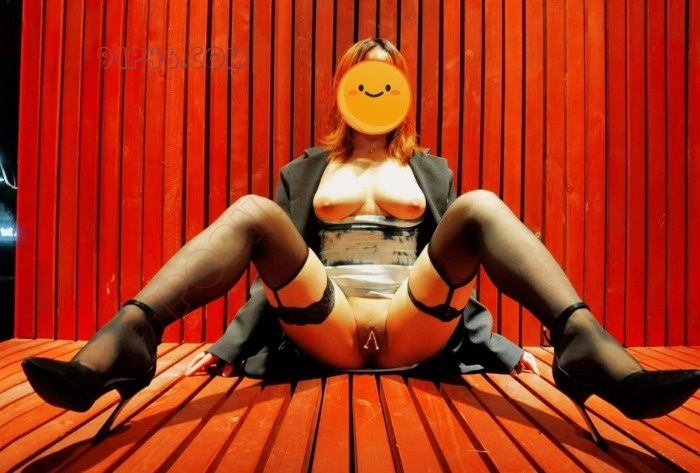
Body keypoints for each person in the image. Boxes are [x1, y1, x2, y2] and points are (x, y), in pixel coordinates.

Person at [22, 38, 698, 448]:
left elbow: (457, 271)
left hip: (410, 321)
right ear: (345, 89)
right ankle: (127, 341)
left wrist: (501, 348)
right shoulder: (305, 172)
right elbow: (272, 279)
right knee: (255, 211)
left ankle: (584, 346)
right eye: (363, 78)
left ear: (401, 91)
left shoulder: (431, 172)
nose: (375, 89)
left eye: (386, 78)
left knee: (480, 207)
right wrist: (230, 348)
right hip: (329, 322)